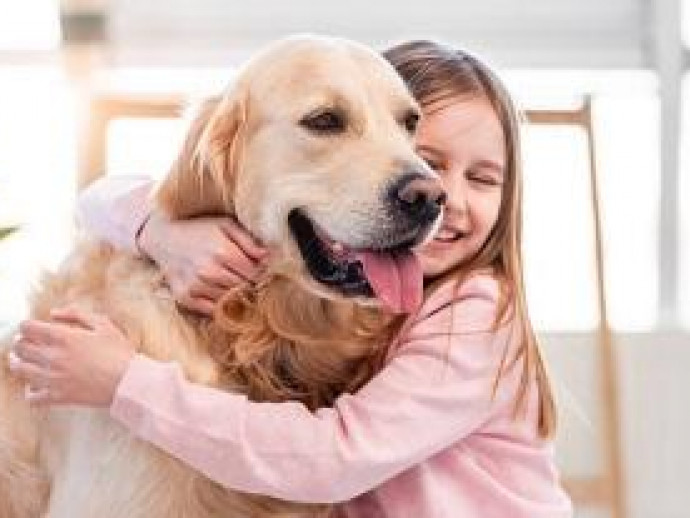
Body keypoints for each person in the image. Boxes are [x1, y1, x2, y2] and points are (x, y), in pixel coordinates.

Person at [10, 40, 573, 517]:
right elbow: (104, 197)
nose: (428, 188)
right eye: (327, 122)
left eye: (404, 129)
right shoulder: (368, 290)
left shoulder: (468, 315)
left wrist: (125, 383)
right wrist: (161, 230)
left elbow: (330, 457)